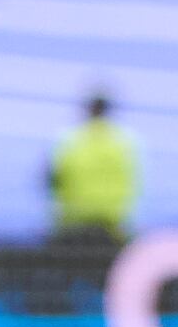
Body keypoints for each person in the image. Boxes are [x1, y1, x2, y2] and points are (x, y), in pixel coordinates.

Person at [45, 91, 141, 240]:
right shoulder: (123, 144)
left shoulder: (72, 140)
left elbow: (52, 178)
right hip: (111, 225)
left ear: (88, 110)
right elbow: (134, 182)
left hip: (74, 223)